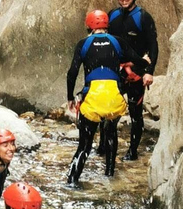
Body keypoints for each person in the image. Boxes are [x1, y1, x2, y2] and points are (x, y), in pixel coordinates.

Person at [66, 10, 149, 184]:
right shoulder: (117, 41)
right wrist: (138, 62)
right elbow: (139, 61)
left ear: (88, 26)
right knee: (110, 133)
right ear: (107, 26)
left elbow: (72, 73)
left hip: (93, 98)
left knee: (85, 145)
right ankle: (110, 174)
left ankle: (72, 180)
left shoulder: (83, 44)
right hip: (113, 97)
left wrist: (70, 98)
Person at [104, 0, 159, 161]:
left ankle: (132, 151)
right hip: (117, 72)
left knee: (136, 113)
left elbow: (153, 46)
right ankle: (104, 147)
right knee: (109, 112)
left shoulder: (143, 17)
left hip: (136, 72)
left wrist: (149, 72)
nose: (124, 0)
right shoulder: (112, 15)